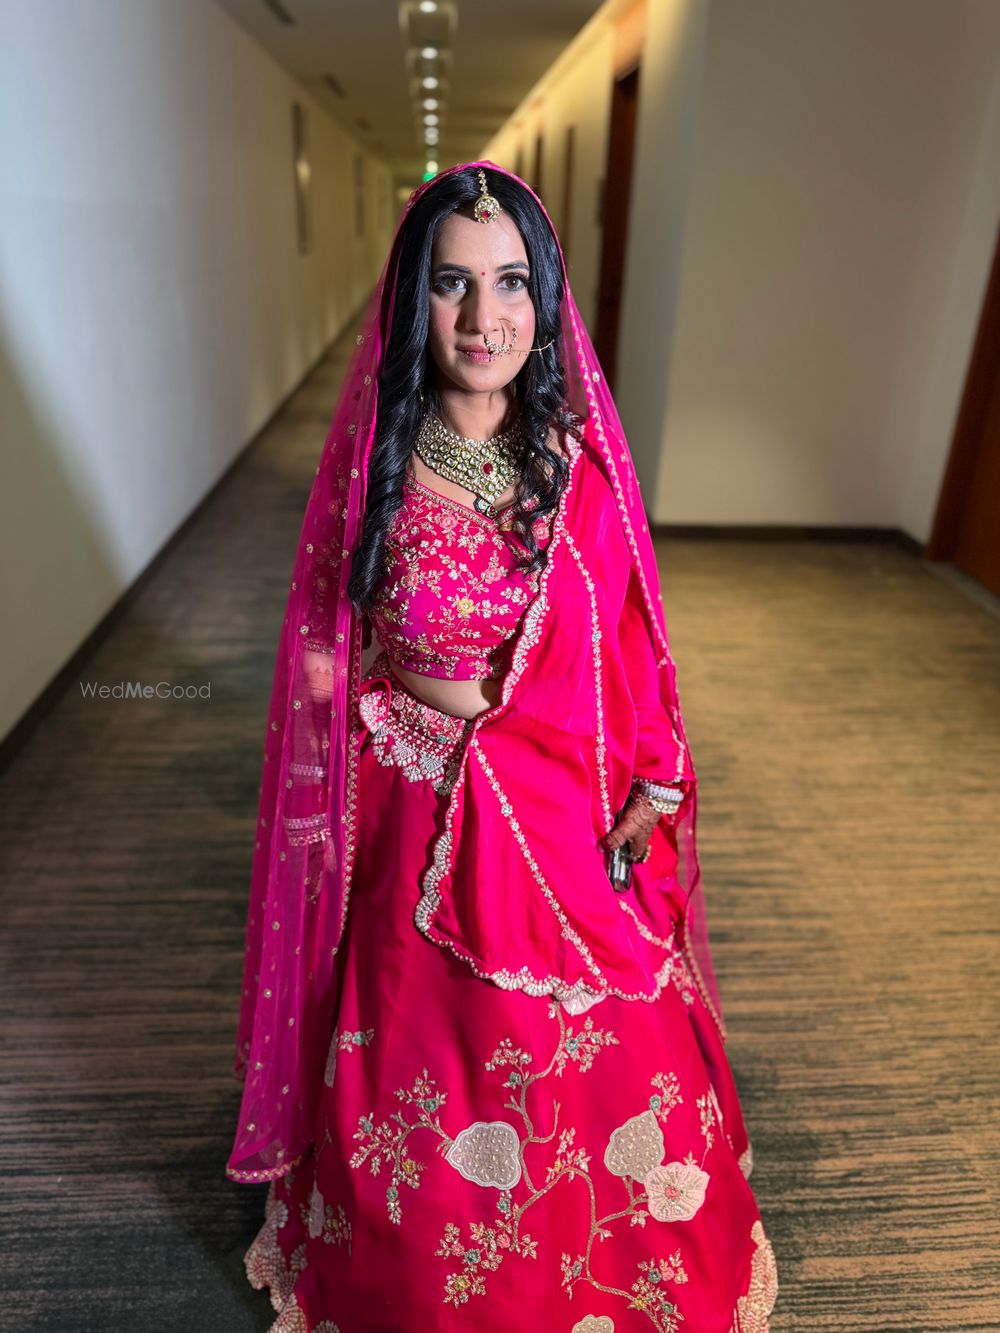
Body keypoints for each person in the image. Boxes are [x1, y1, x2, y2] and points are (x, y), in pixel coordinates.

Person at [228, 161, 778, 1332]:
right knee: (430, 1068)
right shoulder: (380, 461)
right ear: (411, 302)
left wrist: (652, 773)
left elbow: (629, 639)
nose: (485, 318)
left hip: (563, 798)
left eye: (513, 282)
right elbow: (324, 645)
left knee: (596, 1055)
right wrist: (338, 761)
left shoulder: (575, 467)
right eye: (453, 284)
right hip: (421, 803)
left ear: (546, 297)